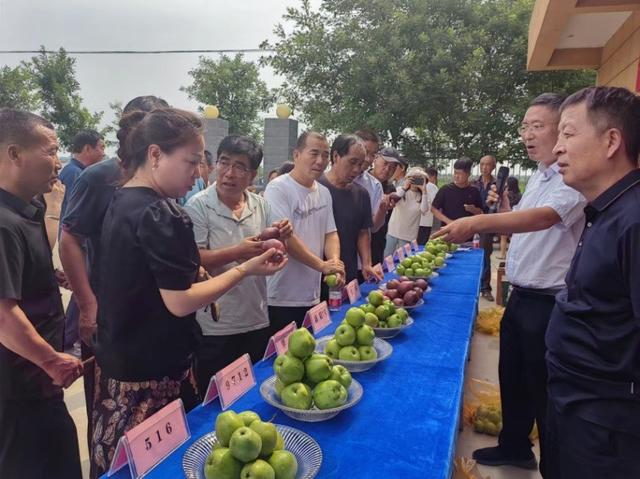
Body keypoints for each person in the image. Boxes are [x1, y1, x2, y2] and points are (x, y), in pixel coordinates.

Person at [90, 108, 286, 478]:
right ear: (154, 155)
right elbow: (180, 301)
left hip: (119, 362)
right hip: (153, 371)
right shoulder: (165, 214)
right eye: (192, 161)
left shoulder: (121, 201)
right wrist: (246, 268)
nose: (199, 172)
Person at [432, 93, 586, 475]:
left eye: (539, 127)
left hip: (548, 301)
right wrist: (495, 210)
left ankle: (554, 465)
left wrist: (476, 223)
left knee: (543, 389)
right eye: (525, 127)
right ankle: (514, 446)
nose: (528, 135)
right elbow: (518, 217)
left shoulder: (571, 177)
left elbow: (541, 219)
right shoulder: (540, 176)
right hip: (521, 295)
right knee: (512, 375)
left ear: (563, 129)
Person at [60, 95, 168, 451]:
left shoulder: (165, 177)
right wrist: (88, 304)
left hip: (155, 316)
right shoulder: (99, 177)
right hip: (109, 315)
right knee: (110, 419)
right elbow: (69, 240)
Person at [544, 86, 640, 479]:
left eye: (568, 134)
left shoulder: (634, 220)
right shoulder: (607, 210)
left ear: (612, 140)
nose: (557, 149)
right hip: (576, 404)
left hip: (607, 425)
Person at [0, 109, 83, 479]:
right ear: (14, 154)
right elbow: (3, 315)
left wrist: (47, 277)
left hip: (37, 387)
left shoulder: (26, 210)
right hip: (17, 391)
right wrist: (50, 360)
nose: (58, 162)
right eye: (50, 151)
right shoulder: (3, 223)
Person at [185, 135, 293, 394]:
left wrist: (280, 241)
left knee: (252, 392)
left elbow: (268, 249)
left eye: (240, 167)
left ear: (253, 174)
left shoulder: (260, 205)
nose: (229, 173)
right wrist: (238, 251)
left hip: (255, 316)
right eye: (224, 162)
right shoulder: (198, 206)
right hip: (216, 324)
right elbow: (194, 257)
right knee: (215, 401)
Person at [264, 131, 345, 332]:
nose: (320, 161)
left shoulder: (324, 192)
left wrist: (333, 263)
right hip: (282, 296)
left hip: (313, 293)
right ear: (296, 155)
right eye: (314, 153)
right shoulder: (278, 189)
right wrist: (322, 265)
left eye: (325, 155)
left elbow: (330, 233)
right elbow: (286, 239)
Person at [59, 129, 106, 354]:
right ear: (87, 148)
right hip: (77, 243)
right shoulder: (76, 173)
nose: (104, 152)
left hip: (79, 242)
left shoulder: (76, 171)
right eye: (101, 147)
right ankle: (69, 340)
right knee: (82, 295)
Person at [318, 134, 382, 284]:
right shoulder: (316, 189)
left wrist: (366, 263)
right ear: (336, 156)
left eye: (360, 165)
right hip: (318, 273)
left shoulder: (361, 194)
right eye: (352, 162)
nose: (356, 170)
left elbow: (363, 232)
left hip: (348, 272)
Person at [430, 157, 483, 239]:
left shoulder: (474, 191)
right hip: (448, 231)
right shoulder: (446, 189)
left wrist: (474, 210)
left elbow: (481, 213)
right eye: (455, 172)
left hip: (467, 233)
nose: (456, 176)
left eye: (460, 173)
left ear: (468, 174)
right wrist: (449, 222)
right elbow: (433, 209)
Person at [384, 167, 431, 256]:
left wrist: (424, 190)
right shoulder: (401, 190)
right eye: (413, 178)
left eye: (419, 179)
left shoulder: (423, 196)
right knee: (387, 258)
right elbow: (395, 197)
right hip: (393, 232)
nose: (415, 181)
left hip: (409, 235)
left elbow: (424, 210)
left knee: (402, 261)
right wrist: (405, 187)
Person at [369, 147, 403, 264]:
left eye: (393, 167)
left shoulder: (390, 189)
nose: (388, 169)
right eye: (385, 163)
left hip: (378, 243)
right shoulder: (360, 182)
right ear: (375, 159)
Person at [472, 155, 497, 301]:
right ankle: (473, 284)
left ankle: (485, 288)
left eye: (487, 165)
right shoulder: (474, 183)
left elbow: (497, 206)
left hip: (488, 223)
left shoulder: (497, 184)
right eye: (482, 164)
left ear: (493, 166)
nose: (484, 167)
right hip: (472, 221)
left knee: (485, 255)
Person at [498, 176, 522, 259]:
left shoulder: (506, 194)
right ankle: (515, 255)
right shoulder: (519, 195)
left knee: (503, 237)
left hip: (506, 217)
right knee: (513, 237)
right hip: (516, 217)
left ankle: (502, 254)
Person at [417, 167, 439, 244]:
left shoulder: (418, 185)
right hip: (426, 222)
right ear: (433, 177)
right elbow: (435, 203)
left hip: (416, 220)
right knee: (422, 243)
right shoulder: (433, 187)